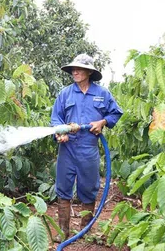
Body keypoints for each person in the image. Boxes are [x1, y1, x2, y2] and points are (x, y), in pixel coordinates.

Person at [51, 54, 123, 242]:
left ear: (89, 72)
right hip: (67, 149)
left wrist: (103, 121)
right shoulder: (65, 94)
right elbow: (56, 118)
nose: (74, 71)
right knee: (63, 188)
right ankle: (63, 232)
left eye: (79, 69)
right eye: (73, 69)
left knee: (89, 187)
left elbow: (115, 112)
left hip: (88, 147)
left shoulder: (102, 94)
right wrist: (61, 133)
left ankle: (86, 229)